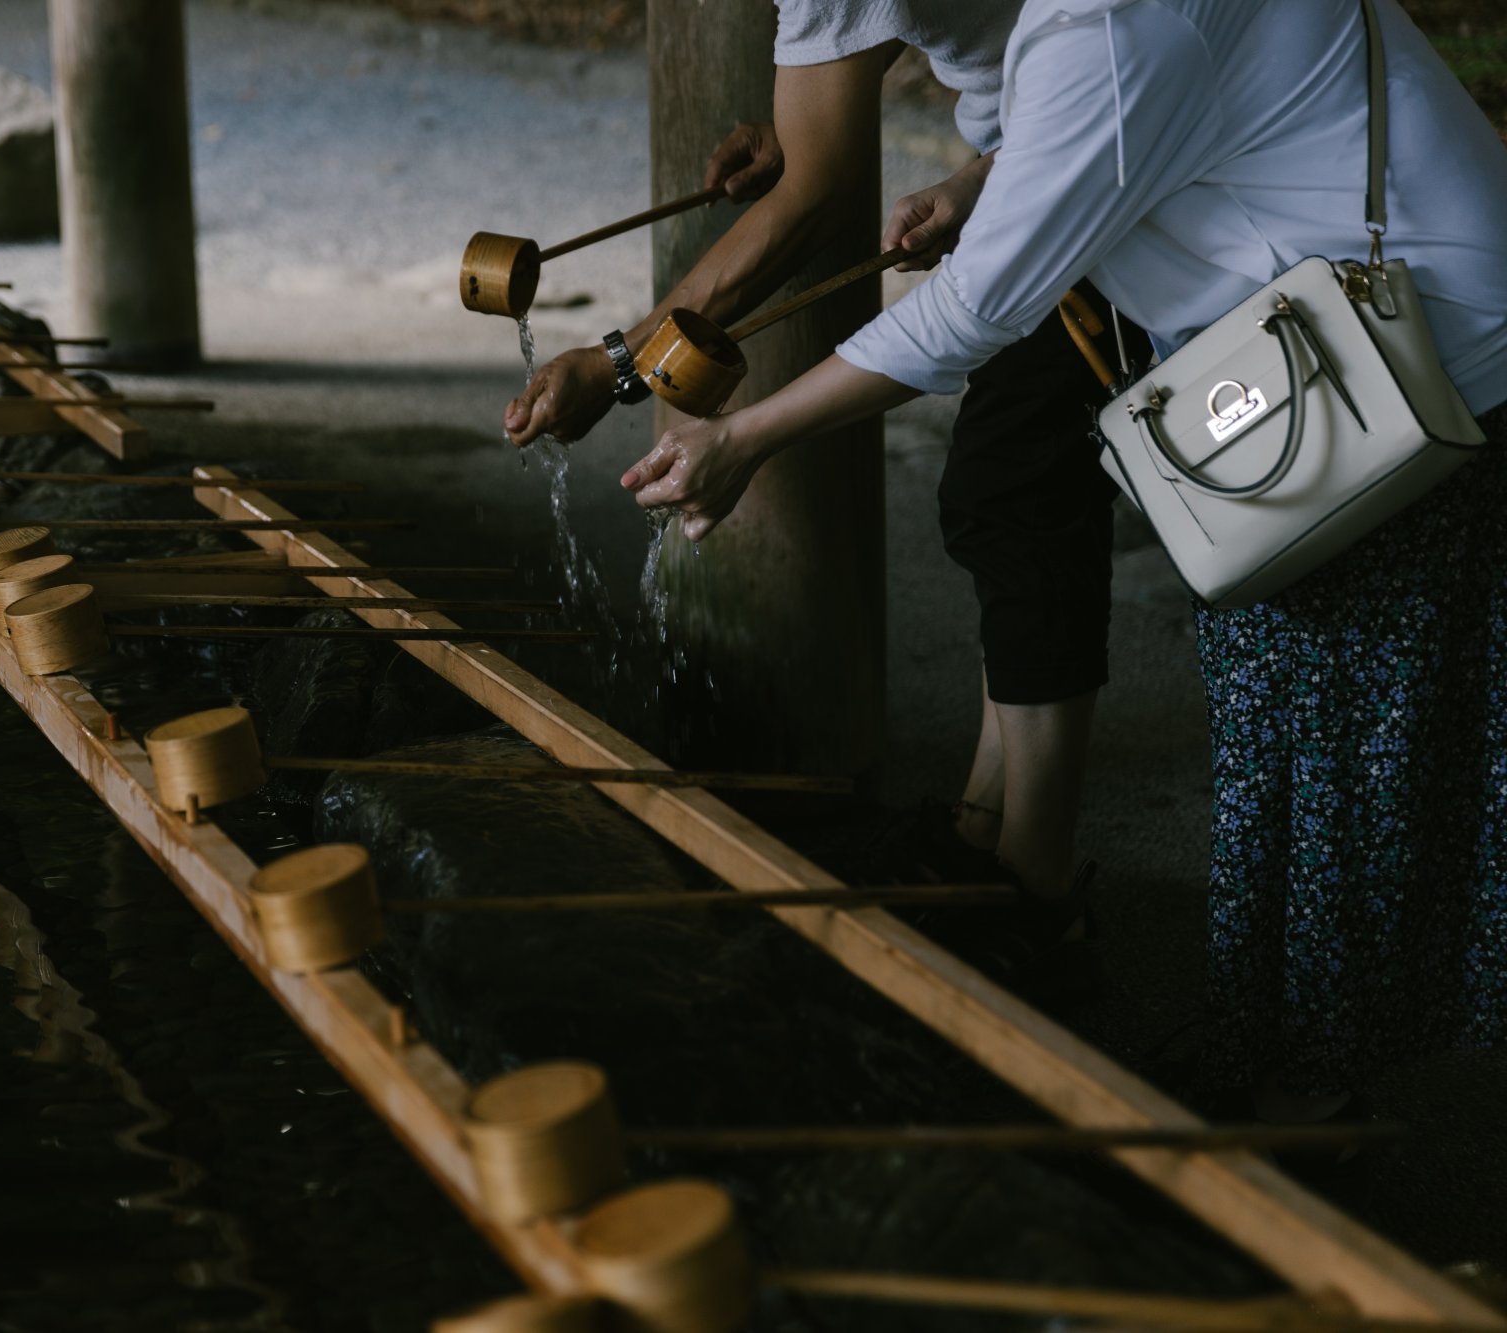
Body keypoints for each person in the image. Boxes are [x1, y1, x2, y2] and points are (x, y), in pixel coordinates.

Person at [618, 0, 1507, 1120]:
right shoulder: (1079, 27)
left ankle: (1305, 1101)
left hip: (1418, 354)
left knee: (1349, 762)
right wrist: (982, 186)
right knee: (1284, 729)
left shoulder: (1107, 22)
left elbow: (975, 307)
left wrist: (743, 439)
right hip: (1334, 343)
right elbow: (1129, 135)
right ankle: (1270, 1049)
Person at [506, 2, 1146, 979]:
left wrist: (620, 370)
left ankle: (1036, 888)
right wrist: (805, 123)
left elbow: (827, 209)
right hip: (1033, 151)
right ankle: (985, 832)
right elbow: (824, 134)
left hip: (1111, 152)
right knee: (1011, 486)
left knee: (1012, 479)